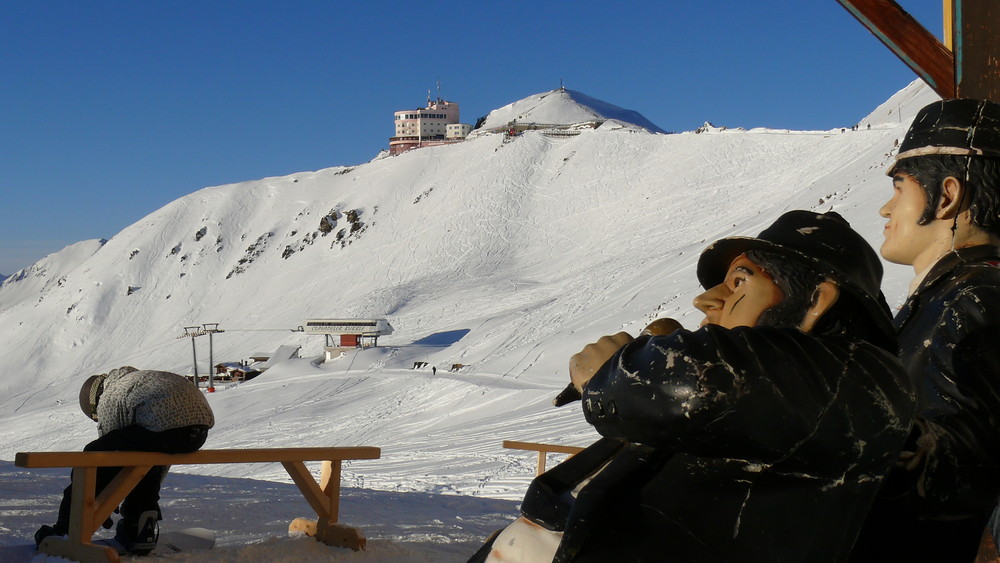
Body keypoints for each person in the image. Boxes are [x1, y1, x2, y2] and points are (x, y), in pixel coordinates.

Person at [472, 211, 916, 562]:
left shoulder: (855, 379)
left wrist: (623, 369)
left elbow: (702, 386)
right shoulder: (760, 408)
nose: (705, 300)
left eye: (740, 282)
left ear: (816, 302)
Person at [850, 98, 1000, 562]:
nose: (884, 207)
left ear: (948, 195)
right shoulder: (953, 295)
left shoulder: (971, 299)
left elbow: (964, 464)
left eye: (900, 187)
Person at [34, 366, 215, 555]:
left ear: (95, 403)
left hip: (163, 430)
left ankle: (65, 531)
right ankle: (140, 528)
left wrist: (101, 502)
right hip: (198, 433)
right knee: (144, 462)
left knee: (90, 456)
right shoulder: (137, 380)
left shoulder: (110, 395)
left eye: (96, 417)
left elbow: (107, 460)